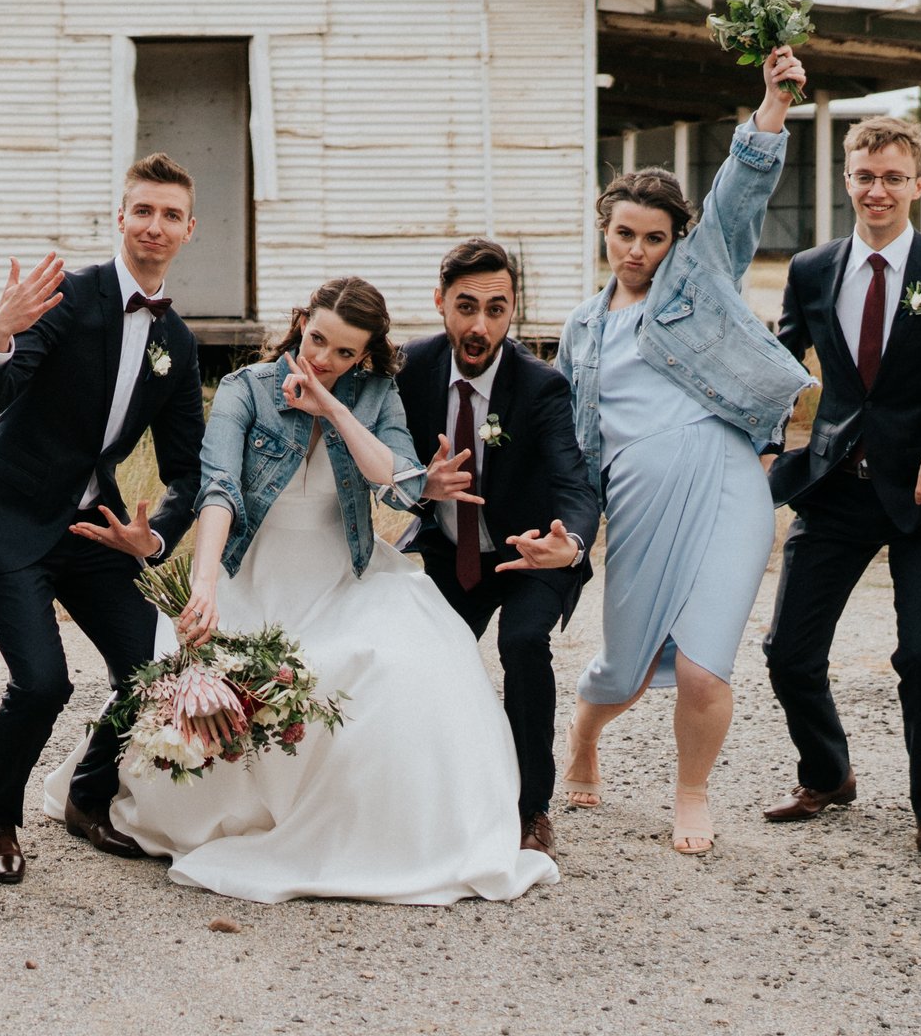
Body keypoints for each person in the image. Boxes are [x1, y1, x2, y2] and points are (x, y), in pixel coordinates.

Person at [57, 277, 556, 905]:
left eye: (345, 352)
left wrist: (334, 408)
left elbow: (398, 484)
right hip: (253, 570)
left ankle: (392, 830)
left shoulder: (375, 395)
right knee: (217, 686)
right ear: (301, 323)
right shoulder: (246, 389)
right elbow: (219, 490)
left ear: (366, 355)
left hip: (346, 571)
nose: (324, 359)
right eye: (317, 340)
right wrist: (205, 584)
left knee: (418, 660)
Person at [556, 48, 815, 854]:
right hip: (639, 502)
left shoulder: (699, 278)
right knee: (626, 670)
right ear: (605, 231)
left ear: (677, 240)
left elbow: (737, 195)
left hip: (728, 483)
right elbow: (569, 439)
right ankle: (584, 738)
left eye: (654, 237)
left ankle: (692, 793)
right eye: (624, 235)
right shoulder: (579, 330)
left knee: (704, 667)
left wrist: (771, 107)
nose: (637, 250)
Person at [0, 153, 206, 885]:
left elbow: (188, 469)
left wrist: (154, 536)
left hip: (93, 525)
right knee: (42, 683)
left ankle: (87, 799)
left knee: (154, 668)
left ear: (189, 230)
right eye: (142, 210)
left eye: (170, 215)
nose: (155, 225)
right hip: (9, 513)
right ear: (121, 218)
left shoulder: (179, 344)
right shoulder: (66, 297)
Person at [757, 115, 921, 858]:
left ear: (918, 184)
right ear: (847, 179)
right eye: (866, 176)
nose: (879, 190)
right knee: (788, 653)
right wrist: (767, 445)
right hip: (834, 486)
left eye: (894, 178)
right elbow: (777, 369)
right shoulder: (811, 269)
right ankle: (827, 773)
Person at [396, 239, 601, 855]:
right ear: (439, 302)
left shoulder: (541, 386)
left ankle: (531, 809)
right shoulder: (410, 368)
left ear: (514, 309)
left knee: (522, 642)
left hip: (531, 551)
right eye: (466, 307)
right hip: (449, 549)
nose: (480, 326)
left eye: (496, 308)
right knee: (424, 655)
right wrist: (417, 484)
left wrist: (571, 544)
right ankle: (435, 794)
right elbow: (378, 453)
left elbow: (575, 484)